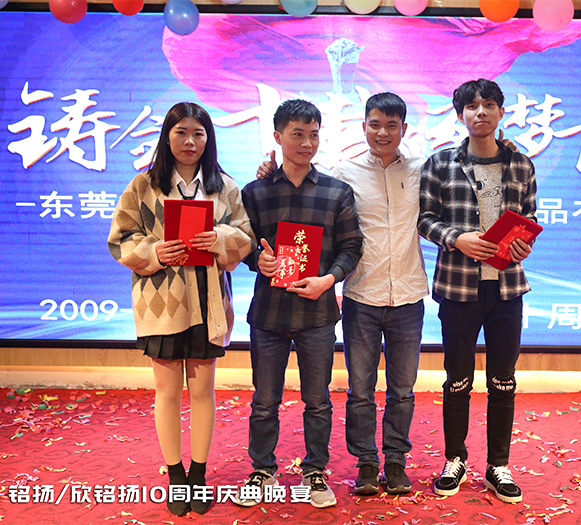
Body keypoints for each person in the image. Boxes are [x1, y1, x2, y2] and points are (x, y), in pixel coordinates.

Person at [256, 93, 427, 495]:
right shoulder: (344, 173)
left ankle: (396, 461)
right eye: (374, 124)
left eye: (391, 125)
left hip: (408, 295)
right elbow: (296, 196)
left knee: (403, 391)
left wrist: (502, 146)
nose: (382, 132)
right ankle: (366, 462)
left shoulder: (423, 169)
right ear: (363, 127)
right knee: (360, 391)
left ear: (404, 129)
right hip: (361, 295)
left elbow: (460, 172)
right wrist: (268, 172)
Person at [107, 102, 256, 516]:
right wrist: (155, 250)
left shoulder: (224, 187)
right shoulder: (143, 185)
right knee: (168, 392)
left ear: (209, 138)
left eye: (198, 133)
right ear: (167, 136)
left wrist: (220, 239)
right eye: (181, 133)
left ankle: (199, 474)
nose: (190, 141)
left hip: (209, 303)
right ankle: (176, 475)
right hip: (161, 303)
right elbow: (120, 239)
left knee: (204, 391)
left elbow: (245, 236)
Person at [238, 99, 363, 509]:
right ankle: (262, 470)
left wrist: (329, 279)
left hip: (317, 313)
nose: (307, 143)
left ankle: (315, 471)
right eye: (297, 134)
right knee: (264, 401)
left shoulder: (336, 191)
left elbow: (351, 246)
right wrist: (257, 259)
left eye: (313, 135)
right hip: (269, 313)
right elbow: (240, 243)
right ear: (278, 137)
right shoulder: (254, 192)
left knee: (318, 401)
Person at [418, 78, 537, 504]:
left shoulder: (521, 165)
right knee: (458, 379)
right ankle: (455, 459)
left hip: (507, 290)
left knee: (503, 379)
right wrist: (457, 239)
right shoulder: (440, 163)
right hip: (458, 288)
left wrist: (523, 244)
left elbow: (529, 218)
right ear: (460, 115)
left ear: (501, 112)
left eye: (489, 104)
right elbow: (424, 219)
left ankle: (498, 465)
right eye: (472, 106)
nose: (480, 112)